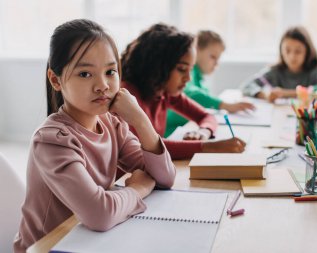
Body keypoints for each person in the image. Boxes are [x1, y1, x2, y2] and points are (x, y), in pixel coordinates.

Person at [14, 19, 176, 252]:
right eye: (85, 74)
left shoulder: (111, 122)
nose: (102, 85)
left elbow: (164, 178)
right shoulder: (51, 140)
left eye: (110, 71)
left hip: (92, 242)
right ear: (55, 80)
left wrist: (140, 120)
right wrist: (138, 189)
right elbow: (99, 214)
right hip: (51, 246)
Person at [120, 23, 246, 160]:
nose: (188, 78)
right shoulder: (126, 97)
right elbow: (146, 147)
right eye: (181, 69)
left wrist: (204, 131)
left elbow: (206, 116)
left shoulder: (164, 92)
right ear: (158, 65)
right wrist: (208, 147)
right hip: (124, 178)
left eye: (190, 69)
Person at [165, 30, 254, 137]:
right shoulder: (188, 75)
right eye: (213, 57)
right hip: (171, 136)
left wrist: (206, 129)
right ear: (196, 50)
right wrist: (225, 105)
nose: (217, 63)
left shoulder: (199, 78)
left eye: (218, 58)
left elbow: (205, 114)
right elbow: (192, 94)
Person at [241, 26, 317, 103]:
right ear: (281, 51)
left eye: (298, 51)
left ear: (307, 51)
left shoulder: (315, 71)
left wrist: (286, 93)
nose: (292, 57)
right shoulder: (275, 71)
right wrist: (264, 95)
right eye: (287, 51)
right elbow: (247, 86)